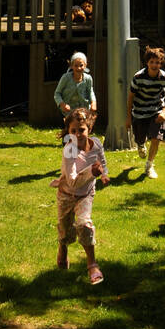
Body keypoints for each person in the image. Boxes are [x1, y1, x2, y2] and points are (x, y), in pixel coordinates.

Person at [52, 108, 109, 284]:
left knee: (84, 224)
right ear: (68, 133)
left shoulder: (96, 144)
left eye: (81, 130)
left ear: (89, 129)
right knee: (65, 230)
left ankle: (92, 265)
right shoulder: (69, 151)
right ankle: (63, 248)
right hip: (67, 194)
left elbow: (102, 159)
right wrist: (92, 172)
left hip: (85, 195)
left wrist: (104, 174)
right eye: (73, 131)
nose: (77, 134)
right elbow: (73, 182)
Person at [126, 45, 165, 179]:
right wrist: (128, 118)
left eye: (158, 62)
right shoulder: (138, 77)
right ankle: (141, 144)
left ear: (161, 63)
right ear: (147, 62)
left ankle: (149, 165)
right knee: (140, 137)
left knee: (156, 138)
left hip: (156, 111)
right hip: (139, 112)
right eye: (152, 62)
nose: (154, 65)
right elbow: (130, 97)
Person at [54, 51, 96, 124]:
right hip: (68, 111)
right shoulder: (66, 78)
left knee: (82, 128)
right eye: (76, 65)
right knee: (71, 130)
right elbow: (57, 93)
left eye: (81, 65)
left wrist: (93, 102)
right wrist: (62, 104)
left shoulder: (88, 78)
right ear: (71, 66)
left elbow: (90, 91)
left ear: (85, 65)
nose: (78, 68)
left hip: (83, 110)